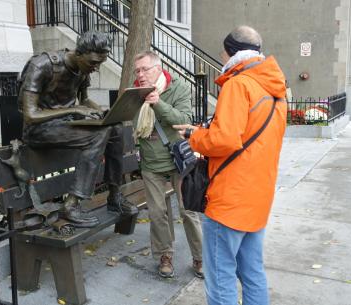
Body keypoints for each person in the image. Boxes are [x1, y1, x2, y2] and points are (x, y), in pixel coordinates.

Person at [174, 25, 287, 305]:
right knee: (252, 273)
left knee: (220, 276)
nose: (221, 57)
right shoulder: (276, 90)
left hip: (229, 200)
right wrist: (206, 129)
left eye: (222, 51)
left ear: (231, 51)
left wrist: (194, 135)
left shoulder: (238, 84)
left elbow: (224, 141)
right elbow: (249, 136)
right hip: (258, 197)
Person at [18, 30, 138, 227]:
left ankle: (115, 195)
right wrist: (74, 109)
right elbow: (30, 115)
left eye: (100, 63)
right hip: (38, 130)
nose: (96, 68)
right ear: (78, 53)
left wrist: (102, 112)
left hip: (66, 125)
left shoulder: (83, 69)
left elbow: (84, 100)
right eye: (93, 63)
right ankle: (71, 205)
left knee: (114, 127)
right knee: (97, 135)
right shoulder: (42, 65)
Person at [133, 51, 204, 279]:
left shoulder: (178, 88)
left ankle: (200, 257)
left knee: (189, 210)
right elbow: (129, 120)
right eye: (137, 70)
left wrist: (158, 103)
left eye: (145, 69)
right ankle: (164, 255)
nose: (140, 74)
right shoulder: (134, 93)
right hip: (150, 161)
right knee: (157, 213)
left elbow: (183, 120)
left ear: (158, 68)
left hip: (178, 159)